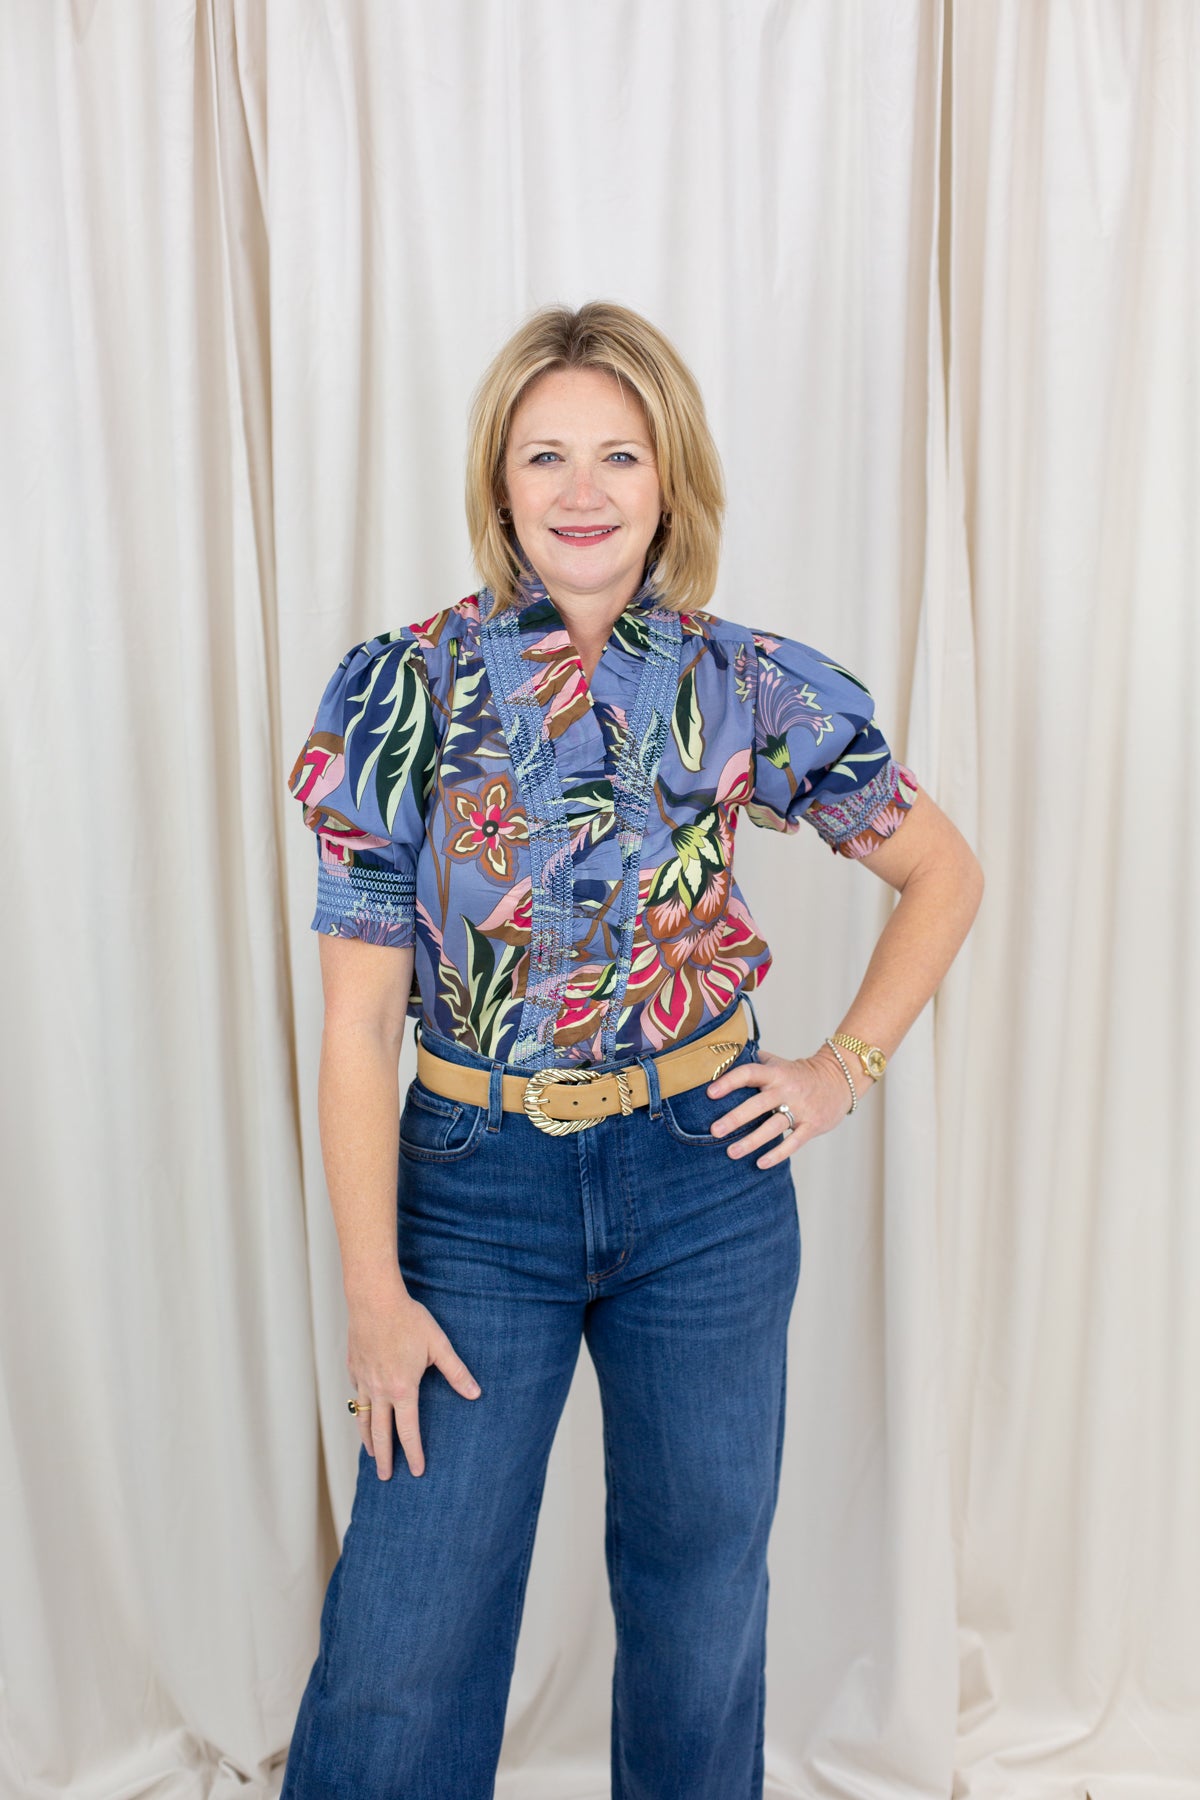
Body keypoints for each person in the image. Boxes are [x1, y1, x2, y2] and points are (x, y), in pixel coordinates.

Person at [280, 300, 983, 1800]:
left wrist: (834, 1071)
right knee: (412, 1618)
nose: (582, 490)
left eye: (619, 453)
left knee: (700, 1597)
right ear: (500, 482)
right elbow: (355, 1021)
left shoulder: (749, 683)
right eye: (546, 456)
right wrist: (372, 1293)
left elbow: (945, 872)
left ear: (671, 479)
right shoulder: (399, 692)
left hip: (703, 1182)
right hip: (476, 1190)